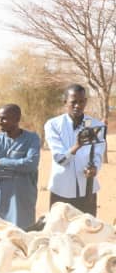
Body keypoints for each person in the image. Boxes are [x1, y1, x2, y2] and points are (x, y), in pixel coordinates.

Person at [45, 84, 106, 215]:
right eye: (73, 102)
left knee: (86, 230)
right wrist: (77, 146)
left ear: (86, 101)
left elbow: (98, 154)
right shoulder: (53, 125)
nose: (77, 105)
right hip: (61, 189)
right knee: (59, 232)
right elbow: (59, 159)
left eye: (81, 101)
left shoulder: (96, 125)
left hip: (88, 189)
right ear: (65, 102)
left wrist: (94, 168)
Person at [0, 104, 40, 229]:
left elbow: (31, 165)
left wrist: (3, 162)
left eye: (4, 118)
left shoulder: (32, 139)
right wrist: (18, 170)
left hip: (23, 202)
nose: (0, 122)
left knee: (23, 240)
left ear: (17, 119)